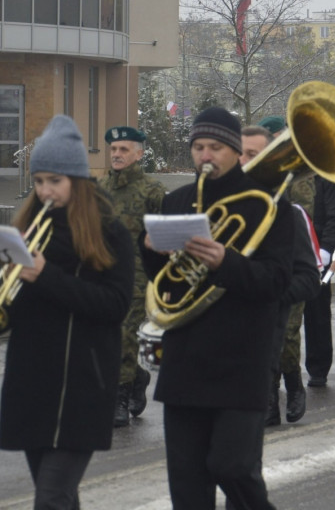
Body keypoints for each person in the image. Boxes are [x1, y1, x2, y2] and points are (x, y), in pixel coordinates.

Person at [141, 107, 294, 509]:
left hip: (241, 361)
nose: (205, 155)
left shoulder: (267, 204)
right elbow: (164, 285)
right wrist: (151, 252)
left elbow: (277, 281)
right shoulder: (176, 200)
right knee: (187, 486)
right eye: (198, 147)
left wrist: (226, 262)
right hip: (185, 362)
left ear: (235, 150)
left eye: (215, 147)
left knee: (233, 466)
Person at [1, 115, 134, 510]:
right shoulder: (26, 229)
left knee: (51, 498)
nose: (45, 191)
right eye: (39, 181)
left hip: (82, 383)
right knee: (58, 497)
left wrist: (45, 276)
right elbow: (18, 309)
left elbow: (115, 305)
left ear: (77, 180)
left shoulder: (110, 231)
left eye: (55, 181)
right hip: (32, 380)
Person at [239, 125, 321, 428]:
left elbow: (305, 212)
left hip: (287, 272)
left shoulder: (291, 182)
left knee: (286, 336)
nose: (245, 160)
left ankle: (294, 384)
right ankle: (270, 401)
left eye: (253, 154)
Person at [99, 125, 166, 428]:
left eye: (123, 149)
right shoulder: (99, 189)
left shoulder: (152, 190)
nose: (117, 154)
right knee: (104, 336)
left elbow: (165, 235)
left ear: (138, 154)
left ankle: (120, 399)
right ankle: (137, 377)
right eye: (113, 149)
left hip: (137, 278)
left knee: (124, 334)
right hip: (102, 275)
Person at [304, 169, 335, 386]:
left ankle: (318, 369)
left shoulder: (328, 173)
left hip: (317, 251)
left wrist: (325, 249)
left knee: (317, 313)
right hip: (286, 249)